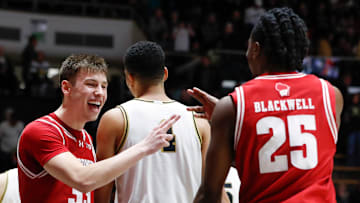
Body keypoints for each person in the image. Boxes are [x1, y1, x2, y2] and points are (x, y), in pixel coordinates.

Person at [192, 7, 344, 202]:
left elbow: (210, 195)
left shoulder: (232, 106)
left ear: (255, 49)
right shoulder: (331, 95)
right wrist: (238, 125)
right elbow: (299, 160)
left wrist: (231, 121)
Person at [17, 54, 179, 203]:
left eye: (104, 86)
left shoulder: (86, 137)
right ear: (66, 88)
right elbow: (83, 180)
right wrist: (144, 147)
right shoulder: (41, 131)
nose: (100, 93)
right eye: (91, 84)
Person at [94, 41, 226, 203]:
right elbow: (214, 189)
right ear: (165, 74)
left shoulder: (115, 119)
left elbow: (102, 185)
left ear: (129, 77)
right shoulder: (199, 121)